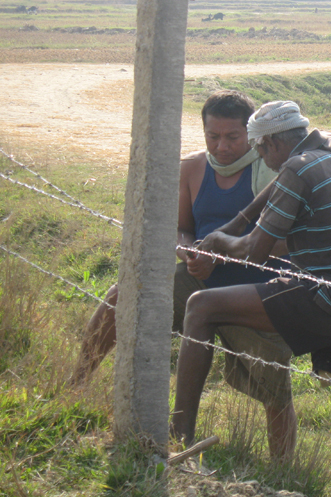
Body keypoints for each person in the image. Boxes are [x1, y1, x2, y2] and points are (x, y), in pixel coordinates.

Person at [171, 101, 331, 497]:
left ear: (273, 142)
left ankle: (177, 439)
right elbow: (273, 191)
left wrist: (223, 241)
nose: (260, 158)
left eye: (260, 149)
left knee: (200, 307)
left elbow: (255, 251)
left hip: (325, 298)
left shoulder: (295, 168)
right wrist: (235, 223)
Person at [72, 90, 297, 459]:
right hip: (199, 281)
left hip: (255, 293)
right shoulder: (192, 169)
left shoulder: (273, 173)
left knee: (273, 384)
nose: (222, 147)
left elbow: (290, 243)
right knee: (125, 295)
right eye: (213, 136)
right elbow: (182, 228)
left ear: (253, 136)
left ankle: (286, 468)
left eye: (233, 137)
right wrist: (187, 250)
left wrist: (223, 254)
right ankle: (75, 386)